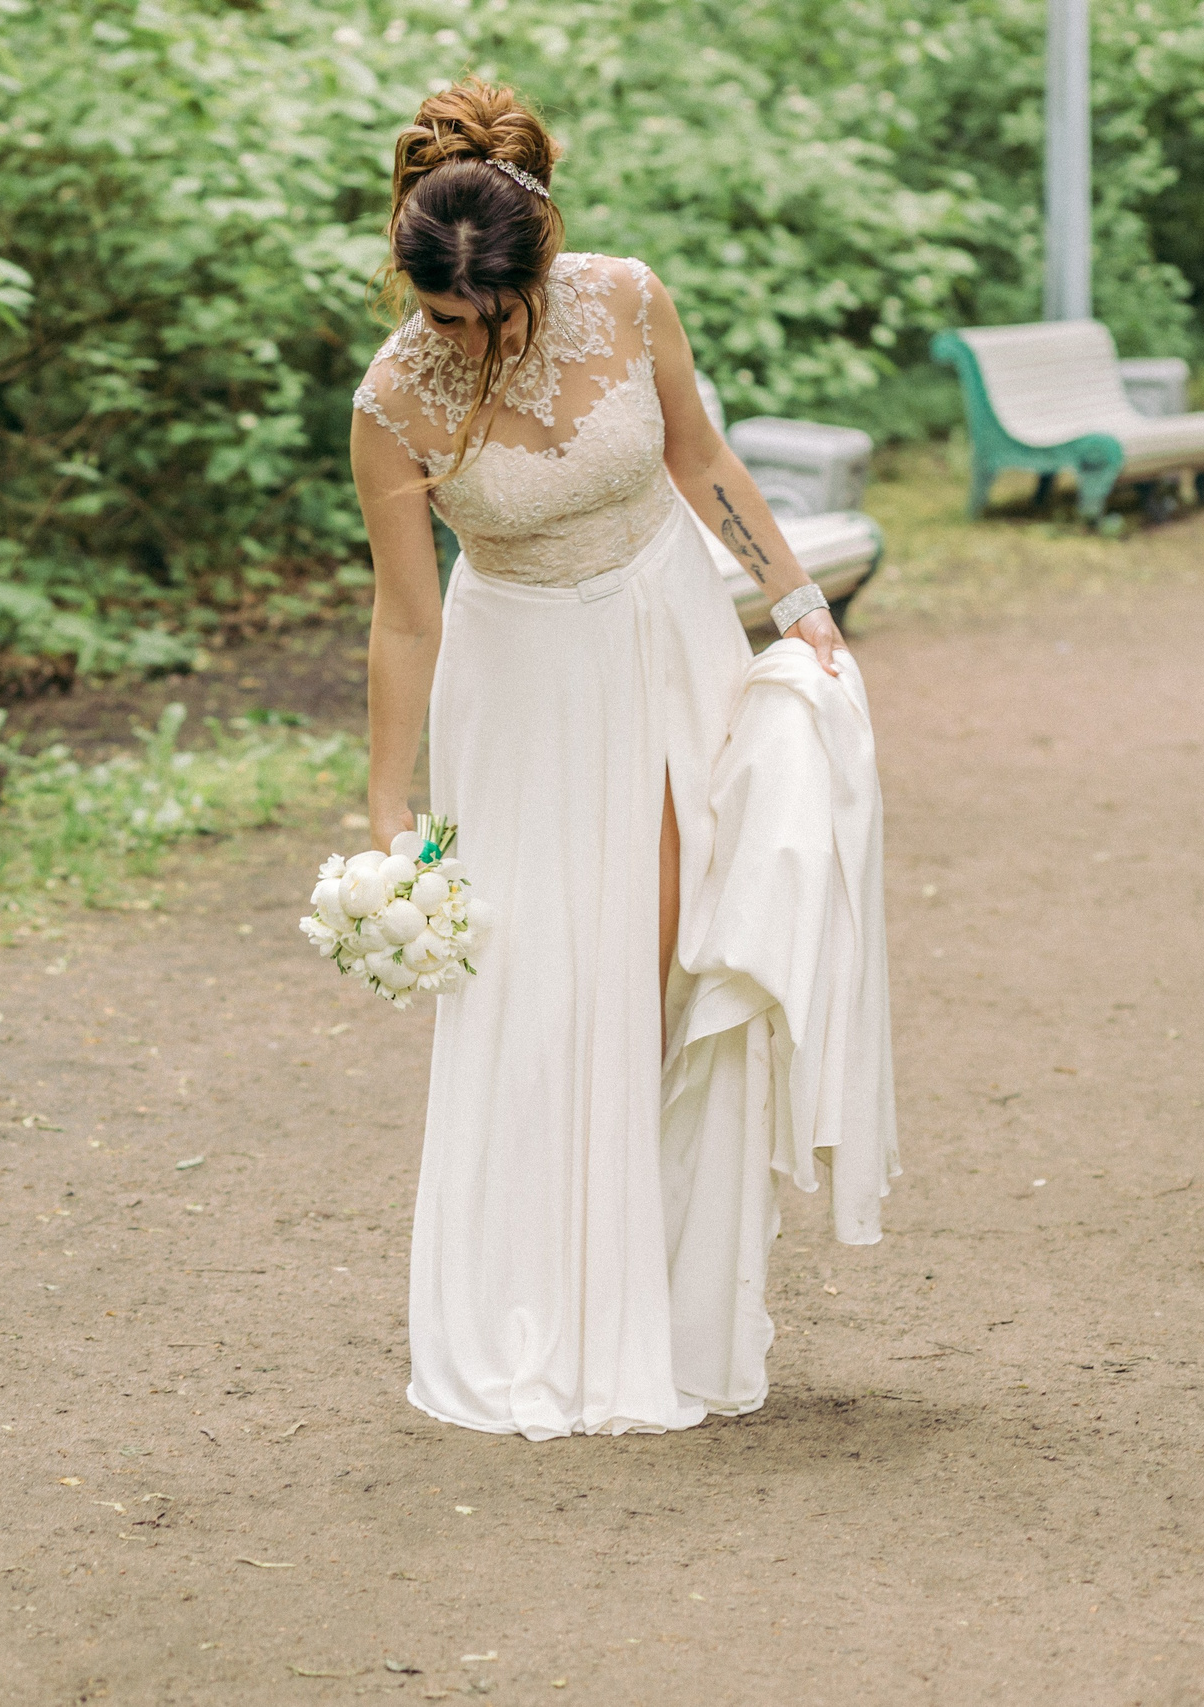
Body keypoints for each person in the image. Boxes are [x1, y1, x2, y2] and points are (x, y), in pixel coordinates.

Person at [351, 79, 893, 1439]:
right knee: (544, 978)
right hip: (521, 678)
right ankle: (546, 1294)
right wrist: (385, 801)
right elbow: (406, 613)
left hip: (663, 635)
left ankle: (661, 1277)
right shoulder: (394, 400)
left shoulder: (629, 300)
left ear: (543, 261)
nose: (470, 336)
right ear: (409, 284)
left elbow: (701, 454)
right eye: (442, 315)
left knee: (668, 954)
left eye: (495, 311)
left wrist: (799, 603)